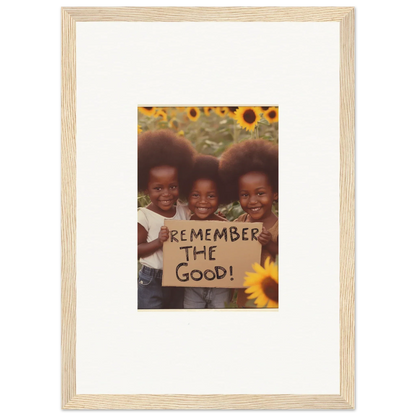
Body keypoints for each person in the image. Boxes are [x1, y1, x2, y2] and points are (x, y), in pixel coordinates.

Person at [137, 129, 196, 309]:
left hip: (180, 278)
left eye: (172, 186)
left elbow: (202, 222)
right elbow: (136, 250)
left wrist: (218, 220)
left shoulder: (183, 211)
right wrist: (158, 242)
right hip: (151, 281)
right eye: (158, 188)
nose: (166, 194)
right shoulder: (144, 216)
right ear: (146, 188)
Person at [219, 139, 278, 308]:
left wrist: (269, 244)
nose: (252, 201)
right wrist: (221, 224)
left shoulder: (279, 227)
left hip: (272, 299)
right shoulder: (241, 221)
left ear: (275, 194)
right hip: (244, 299)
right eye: (245, 195)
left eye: (260, 193)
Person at [182, 154, 230, 309]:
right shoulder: (183, 225)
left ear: (220, 197)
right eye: (196, 195)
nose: (203, 201)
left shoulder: (226, 226)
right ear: (187, 196)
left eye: (211, 196)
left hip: (220, 286)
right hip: (192, 286)